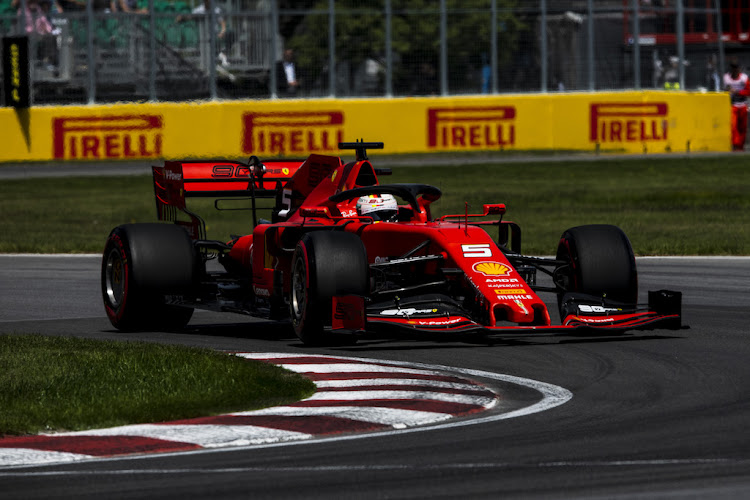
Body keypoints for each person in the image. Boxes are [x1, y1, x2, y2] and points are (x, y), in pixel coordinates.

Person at [723, 58, 750, 151]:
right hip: (733, 105)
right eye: (733, 68)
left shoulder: (744, 78)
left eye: (736, 68)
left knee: (742, 127)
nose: (735, 70)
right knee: (733, 126)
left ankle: (741, 146)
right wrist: (727, 90)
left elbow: (748, 91)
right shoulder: (726, 78)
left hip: (743, 105)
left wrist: (737, 92)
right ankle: (735, 145)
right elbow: (724, 90)